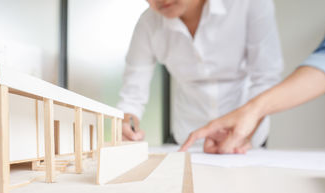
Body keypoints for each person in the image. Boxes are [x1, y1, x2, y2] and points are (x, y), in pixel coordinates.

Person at [180, 0, 325, 154]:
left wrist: (252, 114)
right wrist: (252, 112)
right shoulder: (155, 20)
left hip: (243, 137)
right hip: (188, 135)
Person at [117, 0, 283, 148]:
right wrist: (126, 124)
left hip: (248, 136)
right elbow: (132, 97)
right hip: (186, 137)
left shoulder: (249, 4)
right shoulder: (148, 23)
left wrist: (243, 134)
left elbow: (266, 78)